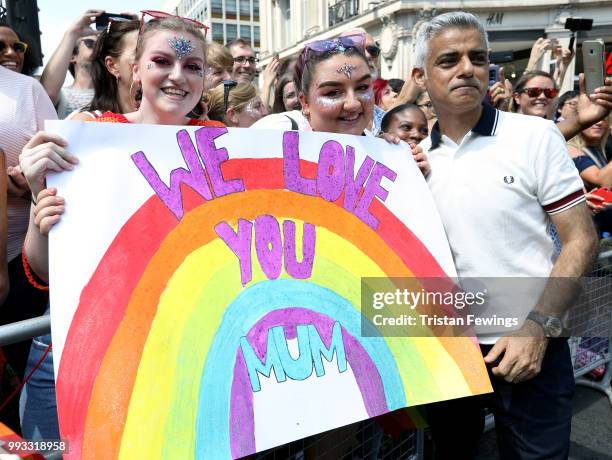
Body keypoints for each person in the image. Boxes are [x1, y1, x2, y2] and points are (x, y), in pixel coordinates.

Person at [412, 11, 598, 459]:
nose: (467, 70)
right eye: (449, 60)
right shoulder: (404, 161)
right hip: (446, 351)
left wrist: (537, 327)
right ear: (419, 76)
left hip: (528, 342)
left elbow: (582, 240)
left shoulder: (534, 136)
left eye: (478, 58)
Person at [39, 10, 103, 119]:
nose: (97, 48)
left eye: (100, 46)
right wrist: (72, 33)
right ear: (72, 56)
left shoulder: (113, 95)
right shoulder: (62, 94)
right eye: (90, 44)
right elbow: (47, 93)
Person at [74, 18, 140, 118]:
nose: (148, 61)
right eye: (138, 52)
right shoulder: (87, 122)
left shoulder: (165, 118)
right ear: (112, 65)